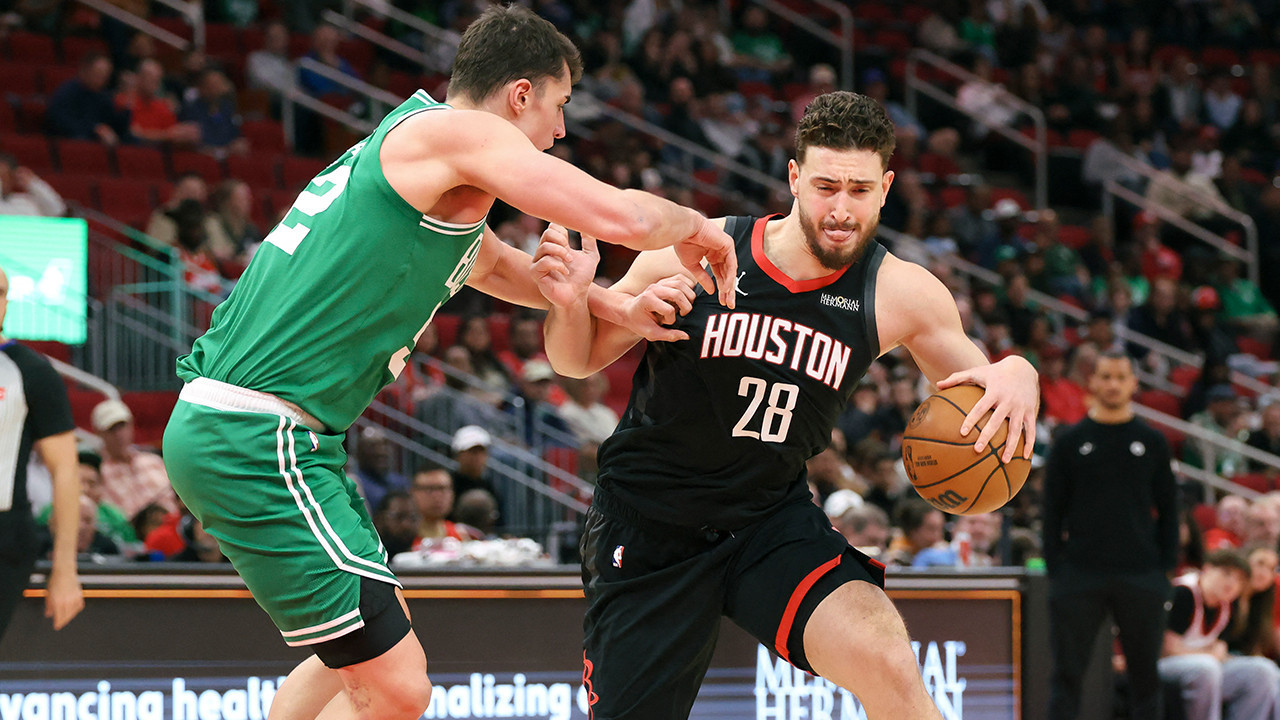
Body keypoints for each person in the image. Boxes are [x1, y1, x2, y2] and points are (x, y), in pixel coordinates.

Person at [162, 10, 736, 720]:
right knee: (400, 688)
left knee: (353, 658)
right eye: (559, 106)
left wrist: (617, 305)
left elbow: (500, 269)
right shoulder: (459, 135)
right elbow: (625, 219)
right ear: (520, 95)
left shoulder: (426, 156)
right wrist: (701, 227)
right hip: (255, 434)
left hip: (277, 434)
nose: (561, 130)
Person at [538, 91, 1039, 719]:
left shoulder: (900, 292)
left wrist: (1020, 372)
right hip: (649, 522)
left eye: (859, 190)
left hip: (767, 519)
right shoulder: (700, 249)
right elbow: (576, 358)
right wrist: (569, 303)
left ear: (886, 188)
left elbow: (980, 388)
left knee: (887, 660)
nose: (841, 209)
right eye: (826, 187)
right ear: (795, 178)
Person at [1042, 351, 1180, 720]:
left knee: (1145, 677)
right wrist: (1057, 568)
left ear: (1134, 383)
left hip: (1141, 573)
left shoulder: (1152, 442)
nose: (1113, 384)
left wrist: (1164, 567)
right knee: (1067, 675)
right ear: (1092, 381)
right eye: (1105, 376)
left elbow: (1169, 509)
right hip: (1079, 574)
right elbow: (1052, 511)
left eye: (1121, 377)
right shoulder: (1070, 441)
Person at [0, 265, 84, 643]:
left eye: (1, 293)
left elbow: (65, 470)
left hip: (5, 535)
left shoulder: (31, 371)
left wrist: (65, 568)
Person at [1159, 549, 1280, 720]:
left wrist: (1211, 655)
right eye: (1226, 574)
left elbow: (1220, 649)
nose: (1231, 583)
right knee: (1206, 667)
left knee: (1263, 669)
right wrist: (1209, 654)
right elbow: (1168, 649)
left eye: (1239, 579)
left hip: (1204, 669)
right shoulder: (1184, 592)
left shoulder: (1228, 604)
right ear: (1207, 569)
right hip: (1164, 665)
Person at [93, 399, 180, 521]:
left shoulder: (154, 461)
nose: (119, 434)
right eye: (112, 429)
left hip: (175, 523)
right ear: (99, 434)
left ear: (131, 426)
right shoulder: (100, 474)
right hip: (134, 529)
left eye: (122, 426)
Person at [0, 153, 67, 217]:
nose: (1, 181)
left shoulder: (26, 201)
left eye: (4, 177)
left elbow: (58, 210)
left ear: (12, 178)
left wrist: (33, 183)